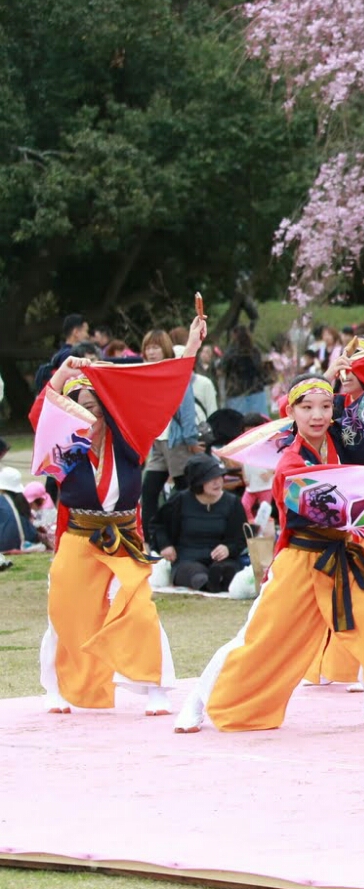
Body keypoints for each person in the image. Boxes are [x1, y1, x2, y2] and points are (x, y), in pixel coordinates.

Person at [174, 321, 364, 733]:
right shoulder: (291, 463)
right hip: (298, 561)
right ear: (290, 412)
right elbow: (335, 505)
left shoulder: (342, 437)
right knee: (254, 642)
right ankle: (197, 702)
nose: (317, 415)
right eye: (306, 408)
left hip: (341, 558)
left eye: (325, 407)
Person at [37, 305, 207, 717]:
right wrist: (64, 374)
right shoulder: (64, 449)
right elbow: (45, 408)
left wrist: (190, 350)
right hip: (79, 537)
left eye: (97, 407)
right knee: (66, 611)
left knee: (139, 606)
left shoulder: (129, 442)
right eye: (81, 407)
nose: (90, 415)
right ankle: (58, 687)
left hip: (123, 539)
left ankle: (155, 687)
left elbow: (161, 397)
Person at [137, 328, 204, 548]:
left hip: (177, 440)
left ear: (165, 348)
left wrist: (191, 439)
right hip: (158, 441)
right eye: (148, 347)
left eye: (156, 347)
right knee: (149, 491)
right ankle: (150, 540)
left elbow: (186, 408)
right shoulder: (145, 372)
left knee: (183, 490)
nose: (151, 352)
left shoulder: (175, 371)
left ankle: (186, 536)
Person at [156, 454, 249, 593]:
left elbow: (241, 537)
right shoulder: (180, 500)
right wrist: (165, 545)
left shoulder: (233, 503)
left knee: (227, 570)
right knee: (195, 575)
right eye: (211, 479)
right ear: (198, 482)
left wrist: (228, 548)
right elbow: (158, 525)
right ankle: (207, 583)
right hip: (188, 557)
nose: (217, 482)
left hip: (220, 558)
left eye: (219, 477)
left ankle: (221, 579)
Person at [31, 314, 92, 395]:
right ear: (76, 332)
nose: (87, 335)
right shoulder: (70, 356)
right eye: (86, 331)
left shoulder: (59, 354)